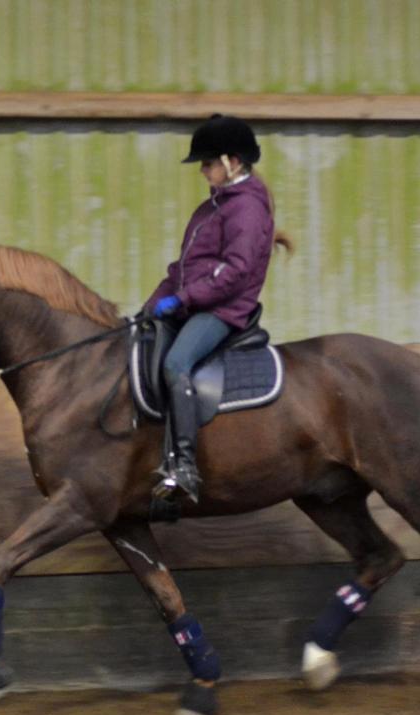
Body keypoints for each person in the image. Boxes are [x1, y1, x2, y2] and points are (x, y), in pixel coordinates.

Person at [143, 114, 293, 504]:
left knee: (176, 365)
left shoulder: (246, 209)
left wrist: (184, 300)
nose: (203, 171)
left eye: (207, 163)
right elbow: (182, 269)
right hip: (196, 304)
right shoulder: (211, 208)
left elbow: (235, 272)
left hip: (223, 311)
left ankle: (185, 466)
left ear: (233, 162)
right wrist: (149, 306)